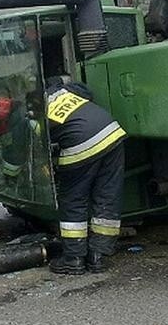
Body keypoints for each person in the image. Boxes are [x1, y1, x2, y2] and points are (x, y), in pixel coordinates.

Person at [45, 76, 126, 275]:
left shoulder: (33, 110)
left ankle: (73, 259)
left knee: (74, 198)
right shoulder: (64, 91)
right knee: (107, 195)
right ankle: (98, 256)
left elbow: (34, 147)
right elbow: (87, 93)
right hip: (111, 132)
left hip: (81, 140)